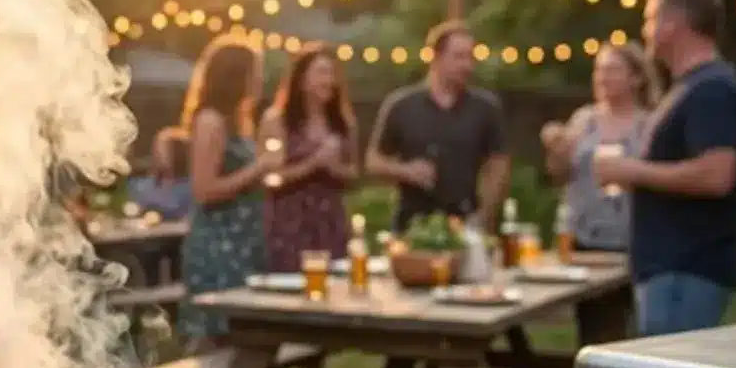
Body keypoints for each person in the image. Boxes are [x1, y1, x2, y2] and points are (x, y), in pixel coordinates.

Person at [594, 0, 736, 336]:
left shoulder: (712, 89)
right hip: (670, 270)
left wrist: (631, 171)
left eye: (650, 18)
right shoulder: (688, 87)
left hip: (686, 271)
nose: (645, 30)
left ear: (674, 24)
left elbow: (717, 176)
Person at [177, 36, 279, 343]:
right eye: (254, 73)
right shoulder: (210, 121)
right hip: (219, 245)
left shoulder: (236, 120)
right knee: (218, 335)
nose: (259, 80)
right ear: (235, 76)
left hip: (243, 242)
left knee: (247, 333)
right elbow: (204, 190)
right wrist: (258, 168)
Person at [365, 22, 509, 231]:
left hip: (465, 221)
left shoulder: (485, 107)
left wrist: (485, 214)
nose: (467, 65)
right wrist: (405, 171)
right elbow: (373, 161)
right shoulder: (401, 105)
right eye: (459, 57)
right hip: (411, 224)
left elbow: (498, 163)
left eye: (470, 57)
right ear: (435, 57)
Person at [542, 42, 660, 255]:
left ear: (636, 78)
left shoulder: (650, 124)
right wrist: (556, 149)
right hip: (580, 238)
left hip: (634, 240)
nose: (603, 78)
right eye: (599, 70)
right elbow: (559, 175)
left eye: (612, 70)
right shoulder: (583, 119)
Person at [260, 45, 357, 272]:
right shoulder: (277, 121)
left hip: (331, 222)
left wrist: (334, 167)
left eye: (332, 73)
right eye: (322, 72)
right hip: (289, 223)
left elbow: (353, 173)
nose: (329, 80)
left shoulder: (343, 123)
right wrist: (313, 163)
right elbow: (269, 178)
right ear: (302, 80)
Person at [126, 127, 194, 221]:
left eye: (170, 147)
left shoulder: (192, 189)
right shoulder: (138, 186)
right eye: (159, 147)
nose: (161, 153)